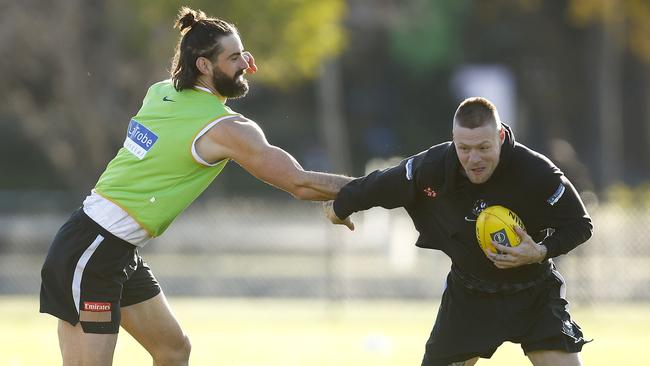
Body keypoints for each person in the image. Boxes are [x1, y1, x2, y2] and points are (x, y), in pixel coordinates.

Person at [40, 7, 353, 366]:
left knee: (173, 350)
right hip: (92, 249)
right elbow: (298, 182)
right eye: (234, 58)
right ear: (204, 66)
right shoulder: (226, 129)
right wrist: (370, 190)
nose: (245, 64)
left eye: (243, 54)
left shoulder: (160, 92)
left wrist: (225, 62)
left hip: (113, 248)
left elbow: (182, 101)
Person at [324, 97, 593, 366]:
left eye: (483, 147)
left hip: (534, 294)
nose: (473, 158)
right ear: (453, 139)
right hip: (470, 297)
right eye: (464, 148)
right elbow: (382, 184)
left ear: (500, 137)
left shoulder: (537, 171)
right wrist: (341, 206)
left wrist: (540, 251)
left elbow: (581, 224)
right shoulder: (435, 165)